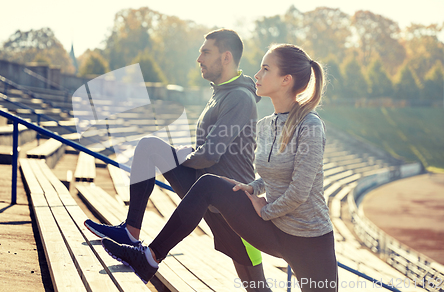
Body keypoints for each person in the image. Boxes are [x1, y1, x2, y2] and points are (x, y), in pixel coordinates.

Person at [101, 44, 339, 292]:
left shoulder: (310, 126)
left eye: (266, 69)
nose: (256, 75)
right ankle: (149, 258)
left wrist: (266, 209)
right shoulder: (267, 124)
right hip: (275, 230)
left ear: (285, 80)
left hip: (309, 241)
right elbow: (271, 175)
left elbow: (300, 191)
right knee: (209, 185)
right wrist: (253, 187)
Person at [84, 28, 272, 291]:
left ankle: (147, 256)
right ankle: (131, 232)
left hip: (234, 204)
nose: (199, 59)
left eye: (206, 52)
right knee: (149, 147)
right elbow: (206, 148)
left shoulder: (239, 98)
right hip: (205, 191)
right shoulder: (221, 92)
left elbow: (209, 154)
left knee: (256, 285)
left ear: (226, 57)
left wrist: (183, 156)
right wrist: (183, 153)